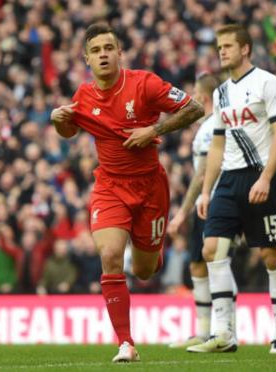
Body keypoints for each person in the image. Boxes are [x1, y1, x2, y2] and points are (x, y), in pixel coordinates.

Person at [49, 23, 204, 362]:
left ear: (119, 52)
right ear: (86, 59)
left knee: (145, 271)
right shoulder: (83, 95)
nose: (103, 54)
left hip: (150, 187)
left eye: (108, 48)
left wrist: (155, 129)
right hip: (109, 187)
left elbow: (194, 108)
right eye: (96, 50)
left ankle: (152, 248)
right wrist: (58, 118)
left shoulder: (144, 83)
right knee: (110, 256)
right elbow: (69, 132)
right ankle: (126, 343)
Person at [191, 24, 276, 354]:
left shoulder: (268, 82)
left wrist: (266, 177)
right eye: (219, 46)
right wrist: (207, 190)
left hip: (262, 175)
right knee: (211, 250)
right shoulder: (220, 93)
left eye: (228, 46)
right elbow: (217, 145)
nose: (222, 51)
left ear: (245, 49)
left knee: (271, 254)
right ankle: (224, 333)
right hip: (229, 180)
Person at [167, 73, 239, 349]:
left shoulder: (211, 128)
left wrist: (182, 213)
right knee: (199, 264)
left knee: (216, 262)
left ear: (204, 97)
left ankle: (226, 330)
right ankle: (205, 330)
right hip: (209, 202)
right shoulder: (209, 126)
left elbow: (202, 174)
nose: (193, 98)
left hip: (214, 202)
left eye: (196, 93)